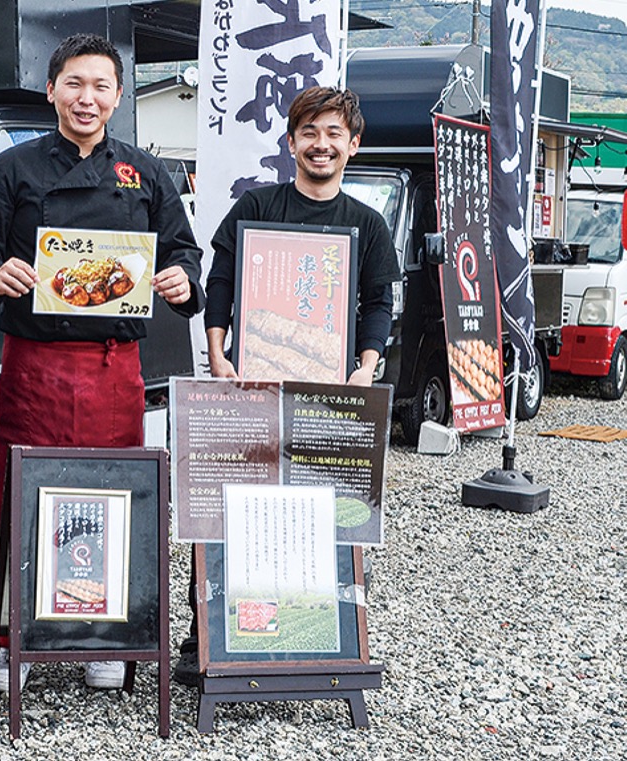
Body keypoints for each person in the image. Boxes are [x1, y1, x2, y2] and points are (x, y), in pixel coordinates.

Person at [0, 33, 204, 693]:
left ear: (118, 96)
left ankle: (105, 637)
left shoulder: (145, 173)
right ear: (51, 90)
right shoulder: (14, 168)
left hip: (113, 367)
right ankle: (7, 638)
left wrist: (181, 279)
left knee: (112, 495)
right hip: (33, 364)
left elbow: (183, 251)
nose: (86, 98)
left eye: (100, 86)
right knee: (17, 496)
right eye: (74, 83)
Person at [177, 85, 401, 685]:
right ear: (291, 142)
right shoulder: (257, 206)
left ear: (353, 145)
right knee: (229, 509)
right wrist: (218, 353)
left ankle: (313, 635)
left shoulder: (367, 224)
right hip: (250, 388)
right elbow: (220, 282)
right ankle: (208, 636)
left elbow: (379, 304)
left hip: (327, 395)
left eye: (333, 134)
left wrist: (365, 366)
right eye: (309, 133)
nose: (320, 145)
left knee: (322, 511)